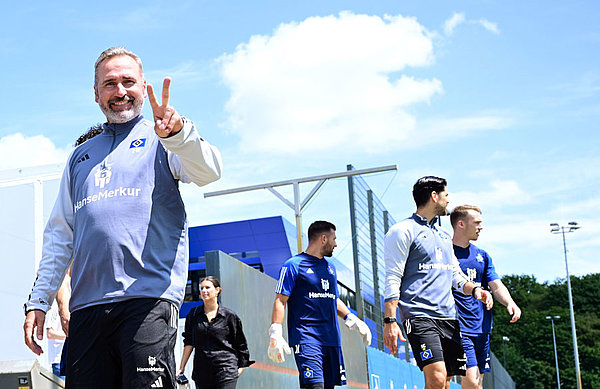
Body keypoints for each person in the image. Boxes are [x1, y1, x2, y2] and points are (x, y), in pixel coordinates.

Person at [23, 46, 222, 389]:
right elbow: (60, 236)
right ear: (96, 93)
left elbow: (210, 172)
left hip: (147, 302)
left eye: (128, 81)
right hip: (86, 310)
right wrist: (39, 301)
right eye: (110, 83)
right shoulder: (79, 157)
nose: (120, 91)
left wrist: (178, 135)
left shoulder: (165, 138)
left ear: (143, 86)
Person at [382, 176, 494, 389]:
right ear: (434, 196)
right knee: (436, 377)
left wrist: (476, 290)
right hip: (419, 316)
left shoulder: (443, 235)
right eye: (446, 195)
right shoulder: (402, 231)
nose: (448, 201)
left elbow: (456, 276)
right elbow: (392, 277)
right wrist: (390, 321)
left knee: (444, 383)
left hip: (449, 318)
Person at [268, 220, 372, 389]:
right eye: (334, 239)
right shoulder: (293, 265)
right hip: (307, 338)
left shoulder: (330, 268)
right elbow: (280, 300)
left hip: (331, 340)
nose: (336, 244)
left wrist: (352, 318)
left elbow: (333, 298)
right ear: (324, 238)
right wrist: (275, 332)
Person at [450, 205, 521, 389]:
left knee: (477, 382)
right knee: (472, 381)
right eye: (477, 223)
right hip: (459, 327)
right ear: (461, 224)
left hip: (482, 328)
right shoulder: (445, 255)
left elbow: (496, 285)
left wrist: (509, 302)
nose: (481, 227)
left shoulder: (483, 256)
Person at [178, 276, 253, 389]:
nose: (204, 291)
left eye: (207, 287)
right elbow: (189, 342)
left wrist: (239, 368)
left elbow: (241, 344)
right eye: (202, 288)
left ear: (217, 290)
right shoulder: (193, 315)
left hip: (226, 369)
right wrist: (181, 367)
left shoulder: (229, 316)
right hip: (202, 371)